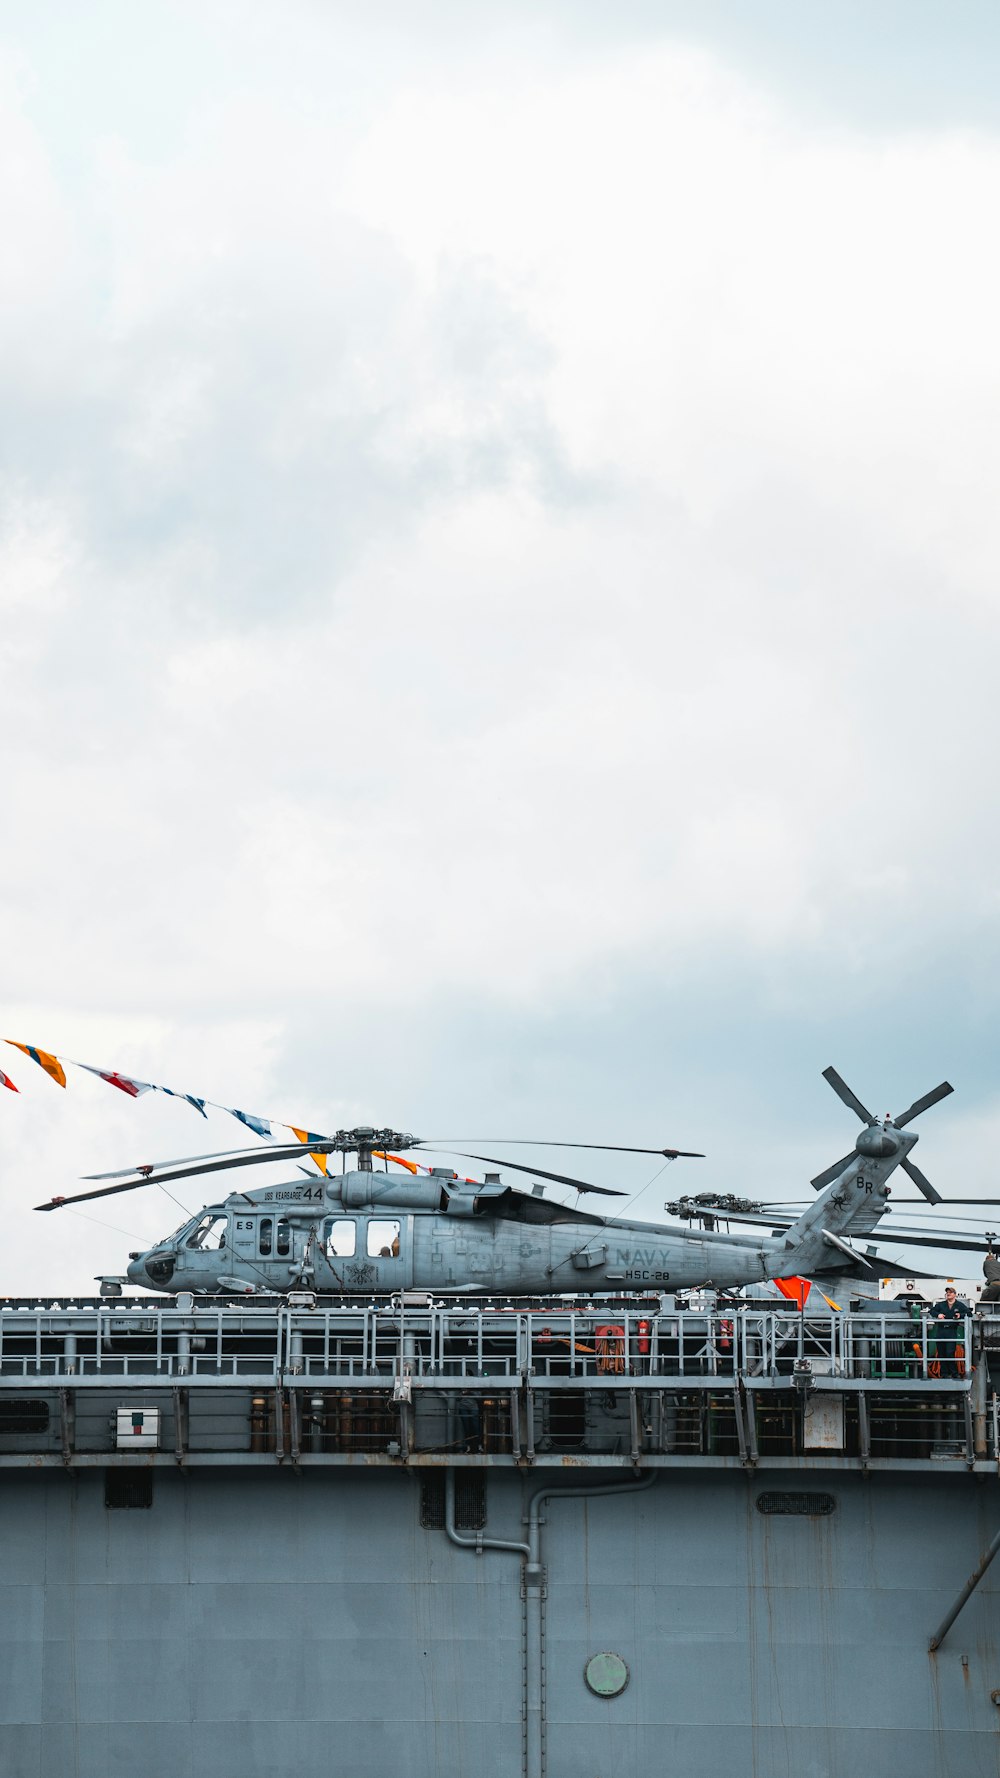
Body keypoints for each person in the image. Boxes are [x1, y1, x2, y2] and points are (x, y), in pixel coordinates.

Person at [930, 1285, 971, 1376]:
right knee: (941, 1354)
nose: (948, 1294)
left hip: (951, 1331)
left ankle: (954, 1373)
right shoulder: (941, 1304)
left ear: (955, 1295)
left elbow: (969, 1313)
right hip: (941, 1331)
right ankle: (944, 1373)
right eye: (947, 1292)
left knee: (950, 1353)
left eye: (950, 1292)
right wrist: (938, 1315)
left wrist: (960, 1315)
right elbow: (932, 1311)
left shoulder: (959, 1305)